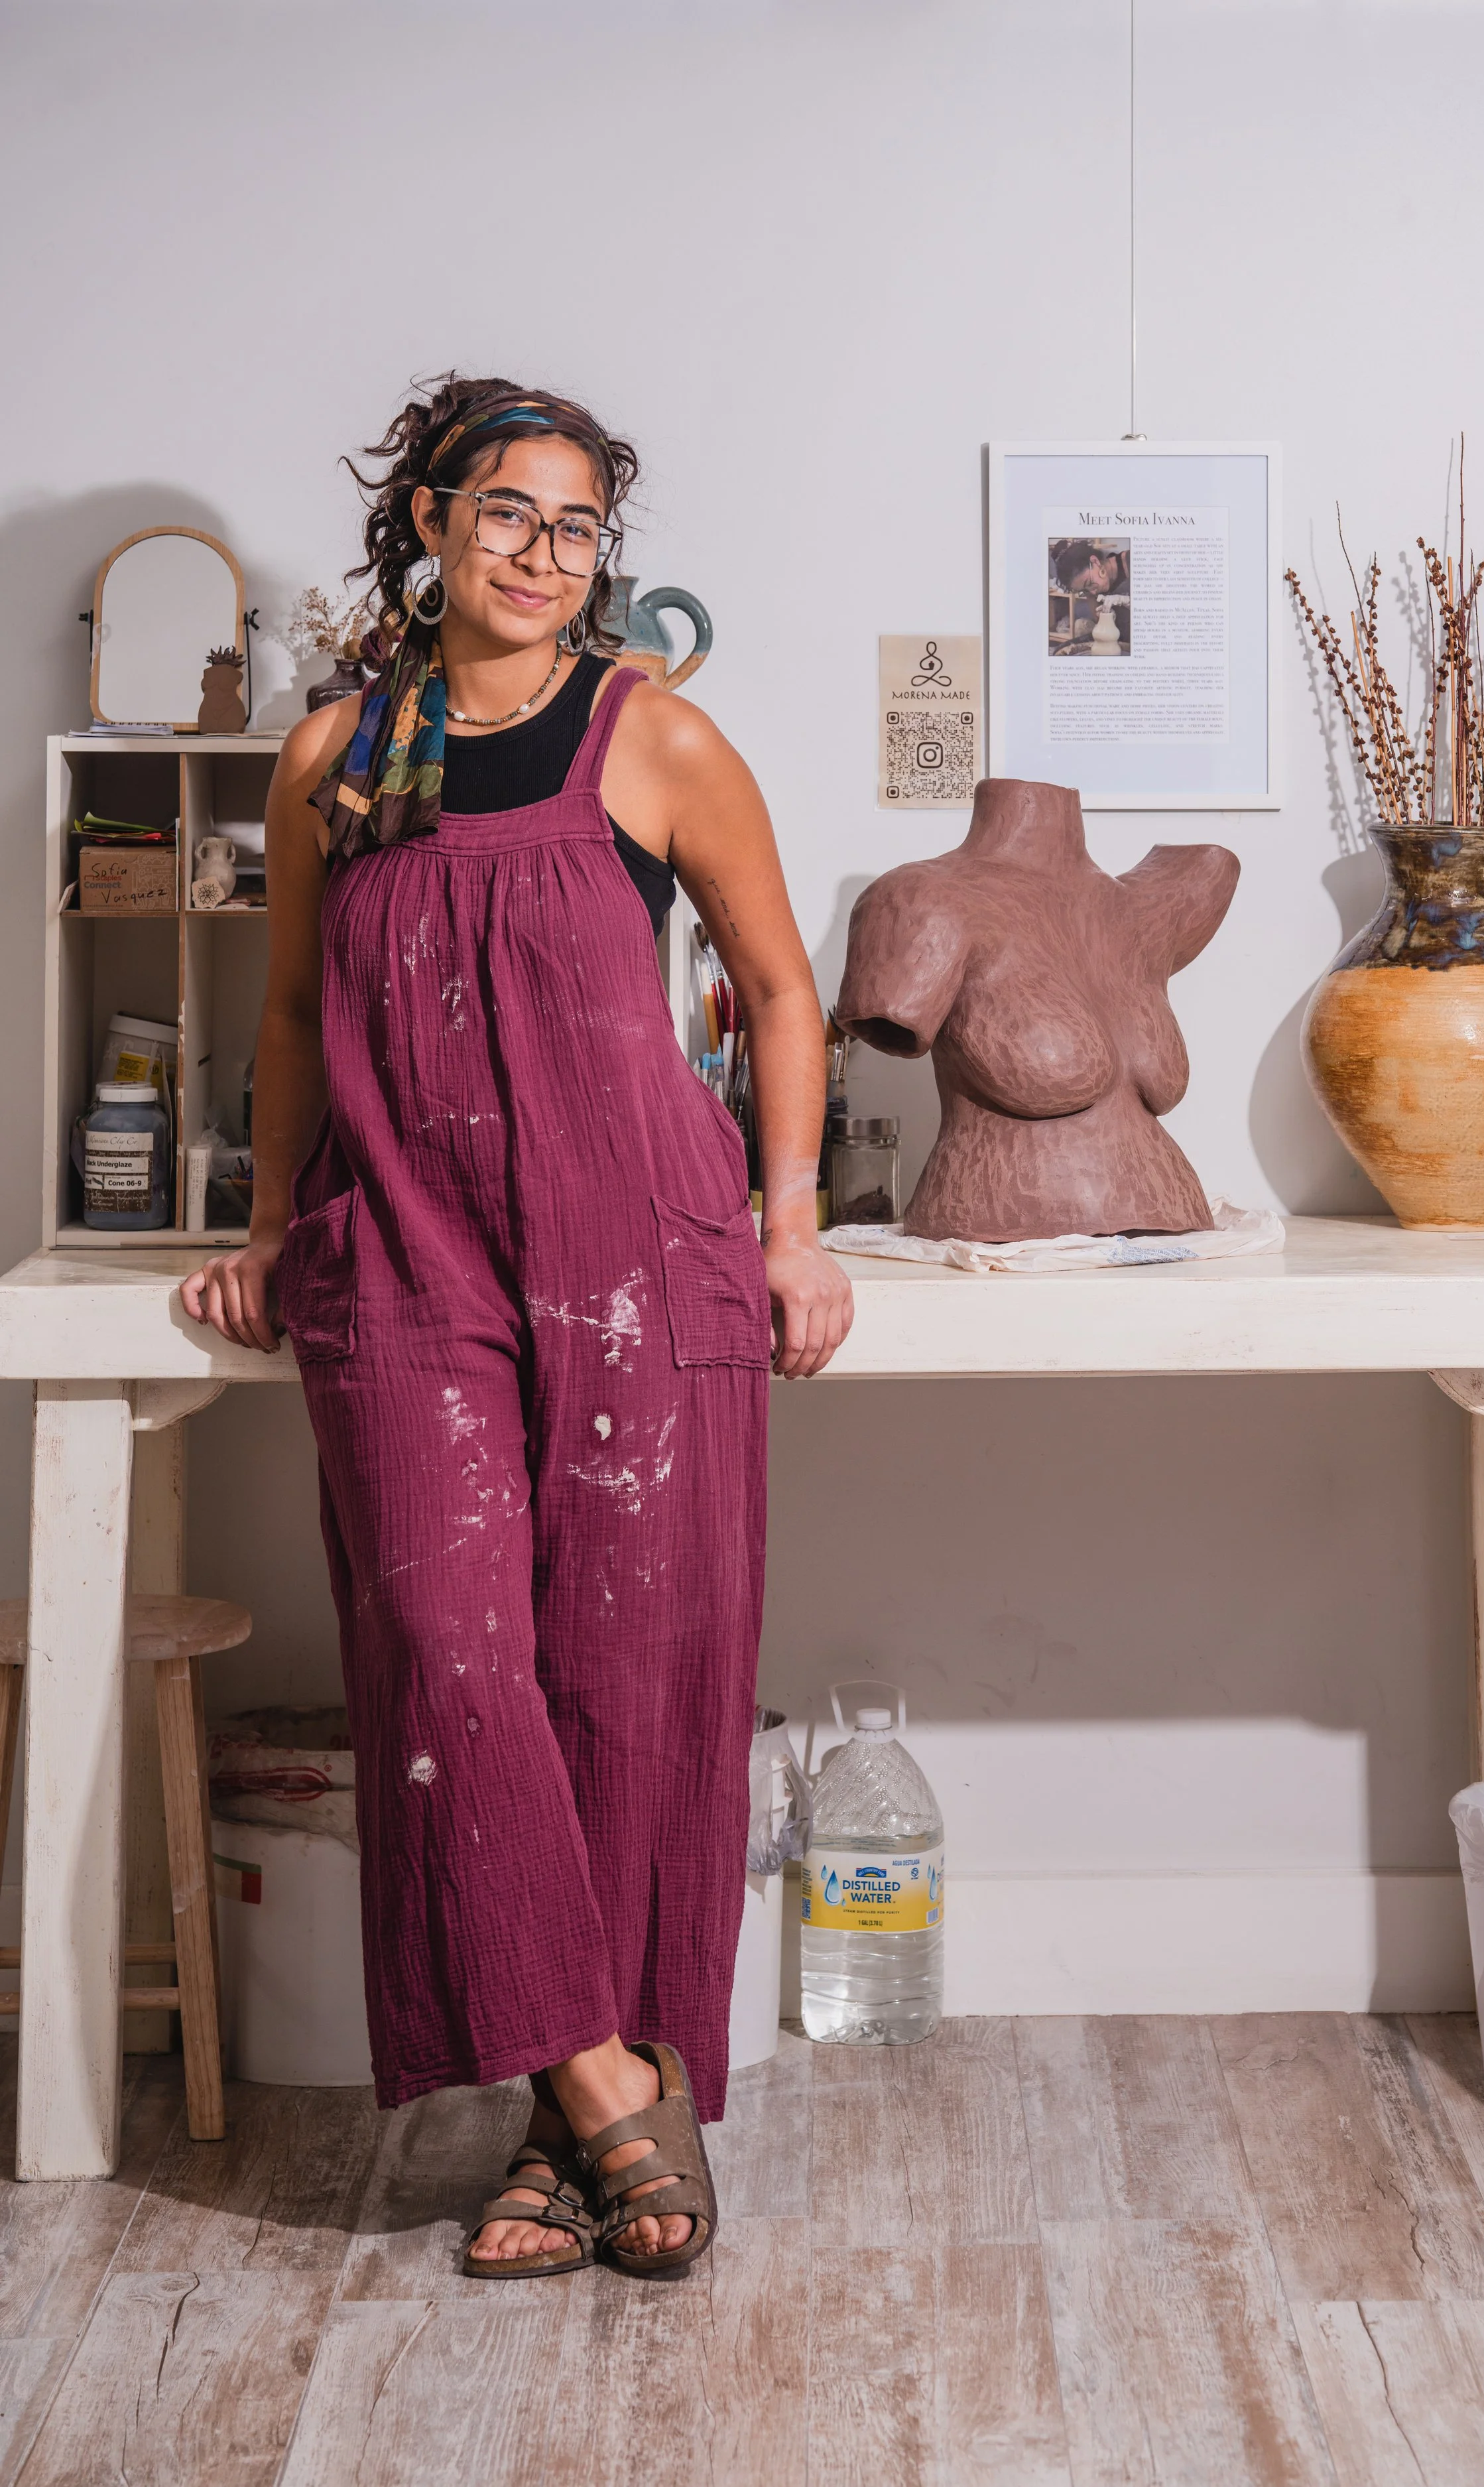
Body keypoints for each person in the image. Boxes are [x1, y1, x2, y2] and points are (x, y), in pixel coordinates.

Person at [183, 375, 853, 2279]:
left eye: (575, 528)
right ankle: (611, 2082)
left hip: (635, 1251)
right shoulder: (330, 754)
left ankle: (555, 2150)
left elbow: (781, 990)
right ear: (428, 524)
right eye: (506, 514)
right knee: (444, 1652)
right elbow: (298, 1014)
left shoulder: (657, 740)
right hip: (399, 1255)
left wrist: (788, 1230)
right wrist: (260, 1225)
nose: (543, 555)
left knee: (625, 1681)